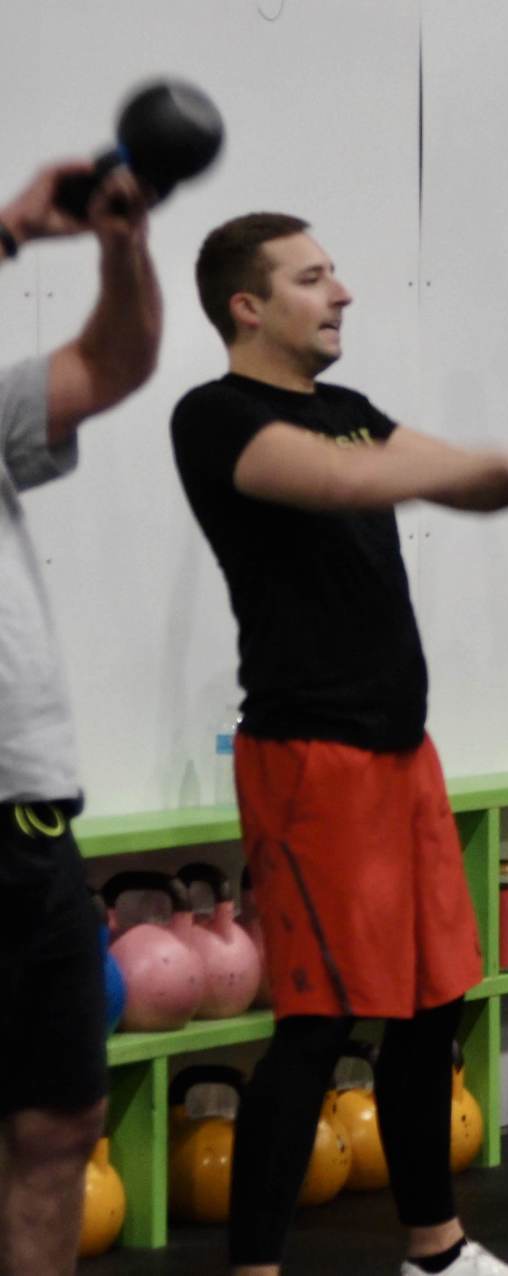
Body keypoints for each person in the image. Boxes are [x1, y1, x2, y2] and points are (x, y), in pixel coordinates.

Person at [171, 211, 508, 1276]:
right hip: (309, 764)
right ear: (248, 306)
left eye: (338, 273)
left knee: (435, 1000)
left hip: (404, 754)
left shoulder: (351, 410)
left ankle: (436, 1250)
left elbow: (438, 469)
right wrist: (487, 467)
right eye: (314, 278)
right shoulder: (216, 417)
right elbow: (340, 480)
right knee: (315, 1024)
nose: (344, 292)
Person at [0, 162, 160, 1276]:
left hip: (25, 817)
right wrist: (8, 227)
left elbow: (112, 363)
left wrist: (119, 243)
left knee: (58, 1124)